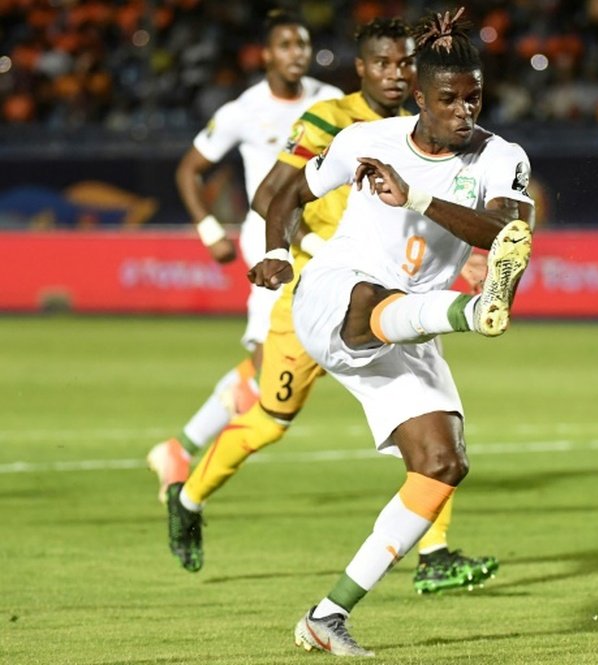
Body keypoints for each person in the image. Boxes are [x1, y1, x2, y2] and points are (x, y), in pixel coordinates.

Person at [165, 16, 499, 594]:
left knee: (435, 423)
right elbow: (277, 194)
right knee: (272, 419)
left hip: (396, 297)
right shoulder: (331, 120)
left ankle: (435, 553)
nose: (396, 74)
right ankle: (189, 496)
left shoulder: (436, 130)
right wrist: (282, 249)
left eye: (404, 64)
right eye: (385, 64)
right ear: (362, 68)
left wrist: (466, 252)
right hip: (320, 292)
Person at [248, 8, 533, 656]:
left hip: (407, 325)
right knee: (376, 300)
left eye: (473, 97)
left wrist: (419, 199)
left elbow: (509, 235)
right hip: (337, 294)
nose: (463, 110)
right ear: (421, 98)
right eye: (447, 99)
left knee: (442, 462)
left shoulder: (500, 156)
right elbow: (283, 193)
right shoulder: (366, 140)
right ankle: (472, 311)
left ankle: (328, 614)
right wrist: (274, 251)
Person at [146, 10, 342, 502]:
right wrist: (210, 228)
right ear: (266, 54)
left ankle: (179, 449)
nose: (296, 53)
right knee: (268, 360)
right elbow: (189, 170)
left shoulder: (331, 101)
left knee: (278, 360)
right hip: (270, 243)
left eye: (303, 44)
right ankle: (185, 455)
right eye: (286, 45)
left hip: (322, 238)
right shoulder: (243, 110)